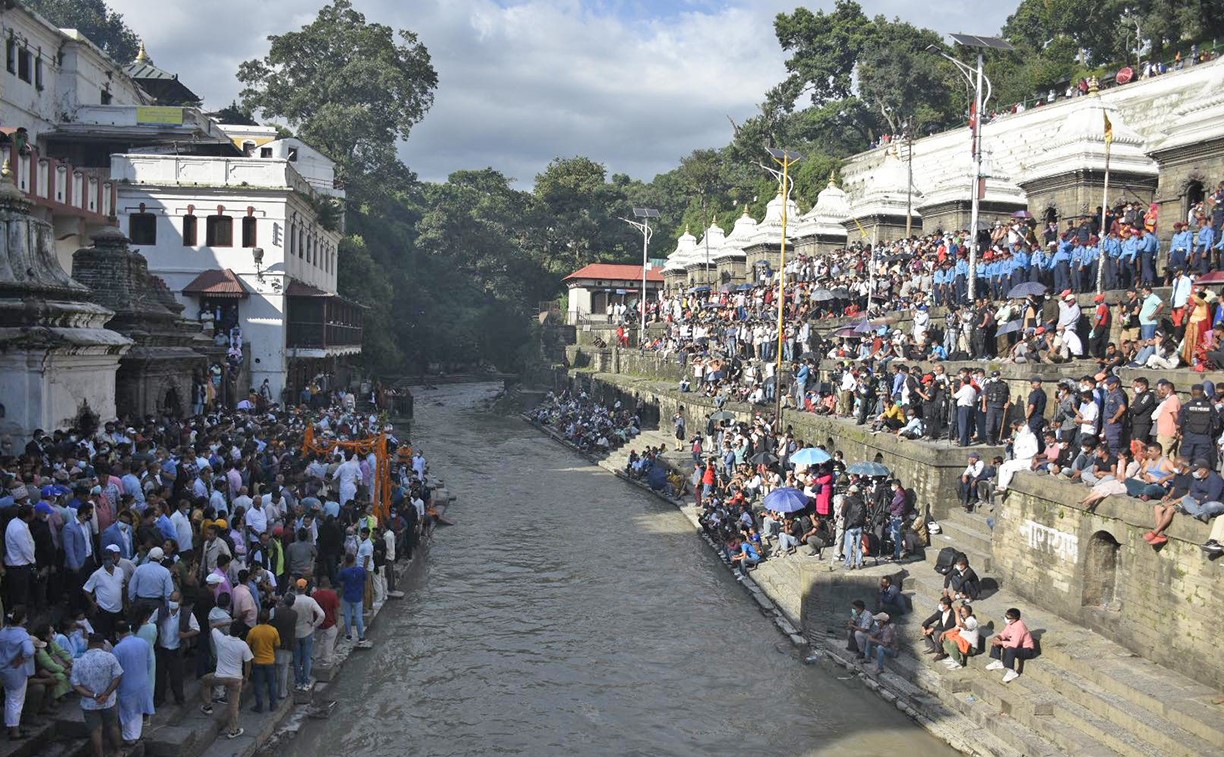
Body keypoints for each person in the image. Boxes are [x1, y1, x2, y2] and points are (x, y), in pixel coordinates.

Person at [71, 633, 123, 757]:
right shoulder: (110, 657)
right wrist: (106, 694)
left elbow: (76, 685)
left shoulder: (78, 662)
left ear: (89, 644)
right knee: (113, 726)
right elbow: (118, 676)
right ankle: (118, 752)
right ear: (102, 644)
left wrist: (93, 695)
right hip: (108, 701)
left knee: (95, 730)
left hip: (89, 704)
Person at [199, 622, 252, 740]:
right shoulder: (243, 645)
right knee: (233, 705)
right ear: (240, 633)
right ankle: (233, 730)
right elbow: (248, 662)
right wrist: (246, 677)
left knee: (205, 681)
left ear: (230, 629)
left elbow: (212, 626)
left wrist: (228, 622)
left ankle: (207, 706)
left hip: (219, 676)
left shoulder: (221, 639)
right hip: (235, 679)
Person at [112, 622, 154, 747]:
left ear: (117, 634)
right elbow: (149, 663)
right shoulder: (143, 643)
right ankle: (136, 734)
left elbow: (115, 671)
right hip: (142, 682)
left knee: (127, 712)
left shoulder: (118, 648)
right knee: (138, 710)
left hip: (127, 685)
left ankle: (130, 737)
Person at [155, 592, 198, 707]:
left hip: (176, 649)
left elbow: (196, 629)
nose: (173, 603)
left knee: (177, 676)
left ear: (180, 601)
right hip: (162, 648)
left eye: (175, 600)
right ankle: (159, 698)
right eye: (171, 600)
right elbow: (150, 623)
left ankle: (179, 699)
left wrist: (185, 635)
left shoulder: (187, 613)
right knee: (160, 676)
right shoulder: (160, 611)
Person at [0, 607, 35, 739]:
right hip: (17, 671)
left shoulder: (3, 632)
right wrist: (21, 659)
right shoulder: (22, 635)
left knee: (9, 698)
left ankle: (11, 726)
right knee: (16, 701)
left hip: (4, 669)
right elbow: (29, 651)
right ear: (22, 619)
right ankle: (15, 731)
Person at [985, 607, 1036, 683]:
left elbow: (1014, 644)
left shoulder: (1019, 627)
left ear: (1015, 618)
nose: (1006, 619)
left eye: (1009, 618)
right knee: (996, 641)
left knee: (1010, 649)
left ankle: (1011, 671)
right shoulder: (1010, 623)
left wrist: (1001, 642)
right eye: (1006, 616)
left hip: (1027, 650)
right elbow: (1004, 633)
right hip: (1018, 646)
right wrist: (998, 638)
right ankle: (998, 661)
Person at [290, 579, 324, 691]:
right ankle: (306, 681)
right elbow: (322, 615)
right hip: (307, 632)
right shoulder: (310, 600)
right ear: (305, 588)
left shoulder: (292, 601)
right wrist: (314, 625)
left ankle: (298, 682)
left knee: (296, 659)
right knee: (307, 658)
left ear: (296, 588)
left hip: (295, 633)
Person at [245, 609, 280, 713]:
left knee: (258, 685)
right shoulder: (273, 630)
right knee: (272, 684)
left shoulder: (253, 631)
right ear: (268, 619)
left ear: (258, 618)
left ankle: (259, 706)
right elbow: (277, 645)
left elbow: (247, 645)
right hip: (270, 660)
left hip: (257, 661)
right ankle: (273, 704)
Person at [996, 420, 1039, 493]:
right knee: (1002, 467)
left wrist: (1023, 452)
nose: (1017, 429)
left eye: (1018, 427)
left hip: (1027, 460)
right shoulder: (1019, 437)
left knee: (1010, 469)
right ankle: (1000, 485)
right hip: (1019, 459)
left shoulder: (1032, 437)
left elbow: (1033, 451)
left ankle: (1004, 487)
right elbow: (1016, 448)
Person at [336, 553, 367, 642]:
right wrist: (364, 594)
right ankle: (361, 636)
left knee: (347, 616)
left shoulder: (344, 572)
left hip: (347, 595)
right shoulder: (361, 570)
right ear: (354, 560)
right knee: (358, 617)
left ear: (346, 561)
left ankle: (349, 635)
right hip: (358, 596)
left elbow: (339, 581)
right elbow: (364, 582)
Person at [938, 604, 981, 668]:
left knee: (953, 643)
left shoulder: (972, 621)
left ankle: (958, 662)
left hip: (971, 648)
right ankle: (953, 656)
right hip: (963, 642)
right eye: (961, 612)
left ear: (969, 612)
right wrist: (944, 633)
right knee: (946, 637)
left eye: (964, 612)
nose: (962, 613)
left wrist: (957, 612)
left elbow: (959, 624)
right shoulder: (963, 619)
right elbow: (954, 629)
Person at [311, 577, 341, 668]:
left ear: (320, 584)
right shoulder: (332, 595)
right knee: (329, 643)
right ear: (329, 585)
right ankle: (326, 660)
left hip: (318, 623)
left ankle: (315, 657)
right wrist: (336, 621)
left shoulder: (314, 595)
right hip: (330, 623)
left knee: (318, 641)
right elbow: (336, 610)